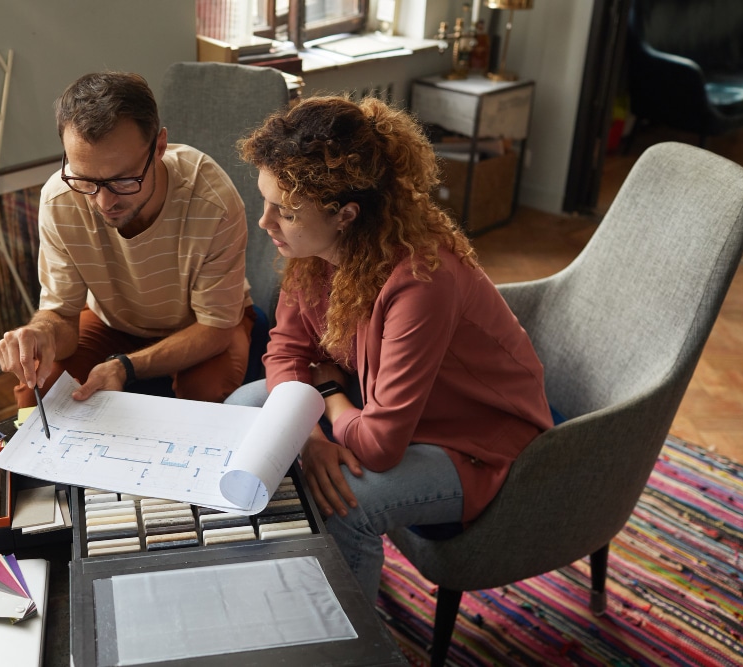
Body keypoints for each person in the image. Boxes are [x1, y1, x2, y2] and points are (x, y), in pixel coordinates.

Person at [226, 95, 554, 603]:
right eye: (266, 201)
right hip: (386, 403)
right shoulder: (313, 252)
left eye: (285, 211)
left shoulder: (422, 279)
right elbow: (287, 350)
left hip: (477, 441)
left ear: (345, 215)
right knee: (240, 413)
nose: (266, 223)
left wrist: (329, 390)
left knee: (344, 506)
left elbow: (379, 444)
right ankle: (280, 588)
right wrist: (310, 438)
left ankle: (350, 648)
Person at [0, 72, 256, 407]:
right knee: (39, 392)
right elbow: (61, 316)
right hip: (113, 320)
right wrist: (41, 333)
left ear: (159, 146)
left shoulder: (211, 201)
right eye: (85, 179)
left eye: (123, 180)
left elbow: (216, 328)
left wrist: (126, 367)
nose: (104, 202)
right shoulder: (59, 200)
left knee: (204, 393)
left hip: (202, 323)